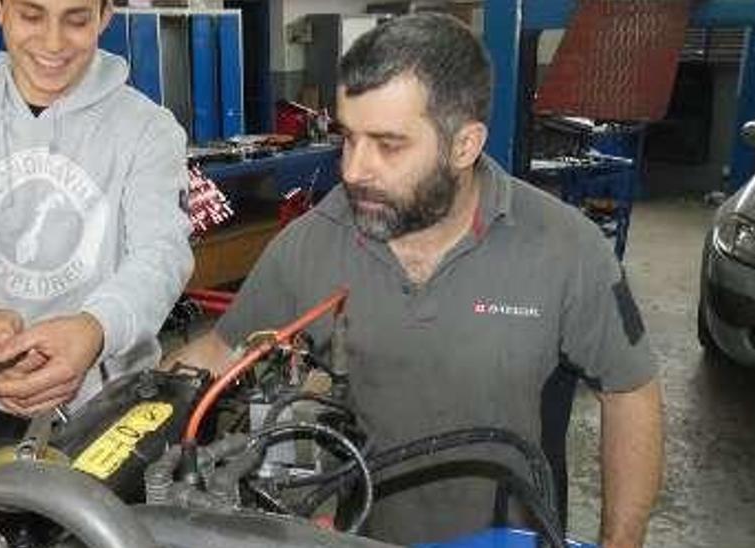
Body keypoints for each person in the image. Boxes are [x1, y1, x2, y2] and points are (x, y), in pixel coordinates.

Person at [166, 13, 663, 548]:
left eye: (388, 144)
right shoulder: (312, 243)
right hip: (367, 532)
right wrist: (111, 427)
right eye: (348, 138)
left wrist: (622, 541)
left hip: (513, 536)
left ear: (464, 145)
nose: (354, 170)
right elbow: (219, 348)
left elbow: (630, 392)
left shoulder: (568, 251)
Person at [0, 0, 193, 416]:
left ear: (104, 16)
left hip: (109, 400)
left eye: (76, 19)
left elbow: (162, 254)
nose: (53, 42)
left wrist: (96, 328)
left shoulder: (148, 128)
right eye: (32, 16)